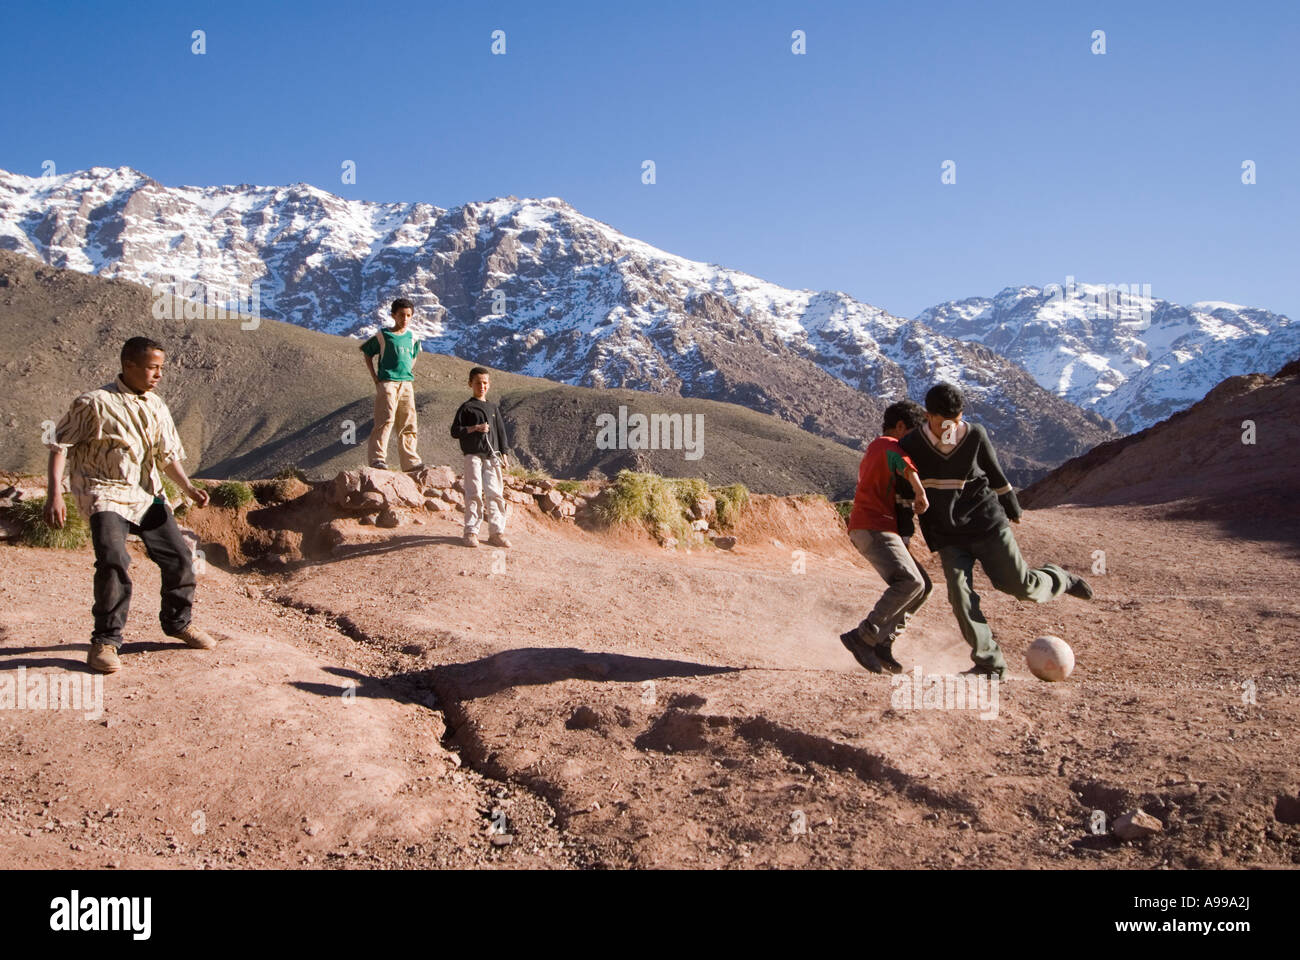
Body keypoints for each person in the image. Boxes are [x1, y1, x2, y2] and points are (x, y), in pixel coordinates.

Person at [44, 337, 219, 674]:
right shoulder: (93, 403)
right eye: (152, 368)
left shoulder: (156, 405)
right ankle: (106, 642)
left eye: (161, 369)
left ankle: (178, 623)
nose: (158, 375)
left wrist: (188, 487)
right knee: (113, 559)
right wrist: (55, 494)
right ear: (129, 366)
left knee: (180, 558)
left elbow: (166, 456)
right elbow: (59, 444)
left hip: (147, 495)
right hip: (104, 491)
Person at [899, 383, 1093, 679]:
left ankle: (1059, 577)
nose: (950, 428)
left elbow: (995, 473)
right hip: (947, 534)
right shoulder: (912, 445)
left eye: (956, 420)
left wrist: (1011, 506)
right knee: (960, 596)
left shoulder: (975, 434)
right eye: (942, 424)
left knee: (1019, 586)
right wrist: (905, 530)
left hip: (986, 523)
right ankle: (990, 663)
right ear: (928, 416)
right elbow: (903, 488)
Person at [840, 400, 932, 675]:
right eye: (914, 432)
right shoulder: (884, 445)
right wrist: (920, 490)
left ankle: (883, 643)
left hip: (879, 528)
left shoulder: (884, 449)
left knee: (923, 585)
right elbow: (900, 462)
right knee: (910, 580)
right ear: (901, 427)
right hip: (872, 527)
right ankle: (863, 637)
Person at [449, 367, 511, 549]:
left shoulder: (493, 408)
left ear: (489, 384)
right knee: (474, 492)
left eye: (485, 383)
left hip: (492, 456)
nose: (481, 386)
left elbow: (501, 432)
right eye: (478, 383)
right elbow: (455, 431)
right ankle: (470, 532)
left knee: (496, 494)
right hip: (473, 456)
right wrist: (474, 428)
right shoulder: (466, 407)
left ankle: (497, 532)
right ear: (470, 384)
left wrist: (504, 454)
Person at [361, 297, 423, 472]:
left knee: (408, 422)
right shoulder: (383, 335)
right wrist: (375, 377)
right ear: (393, 316)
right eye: (401, 315)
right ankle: (377, 459)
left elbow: (414, 356)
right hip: (387, 382)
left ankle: (410, 462)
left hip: (406, 383)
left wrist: (406, 372)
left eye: (409, 315)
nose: (405, 319)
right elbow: (367, 353)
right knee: (385, 419)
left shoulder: (413, 337)